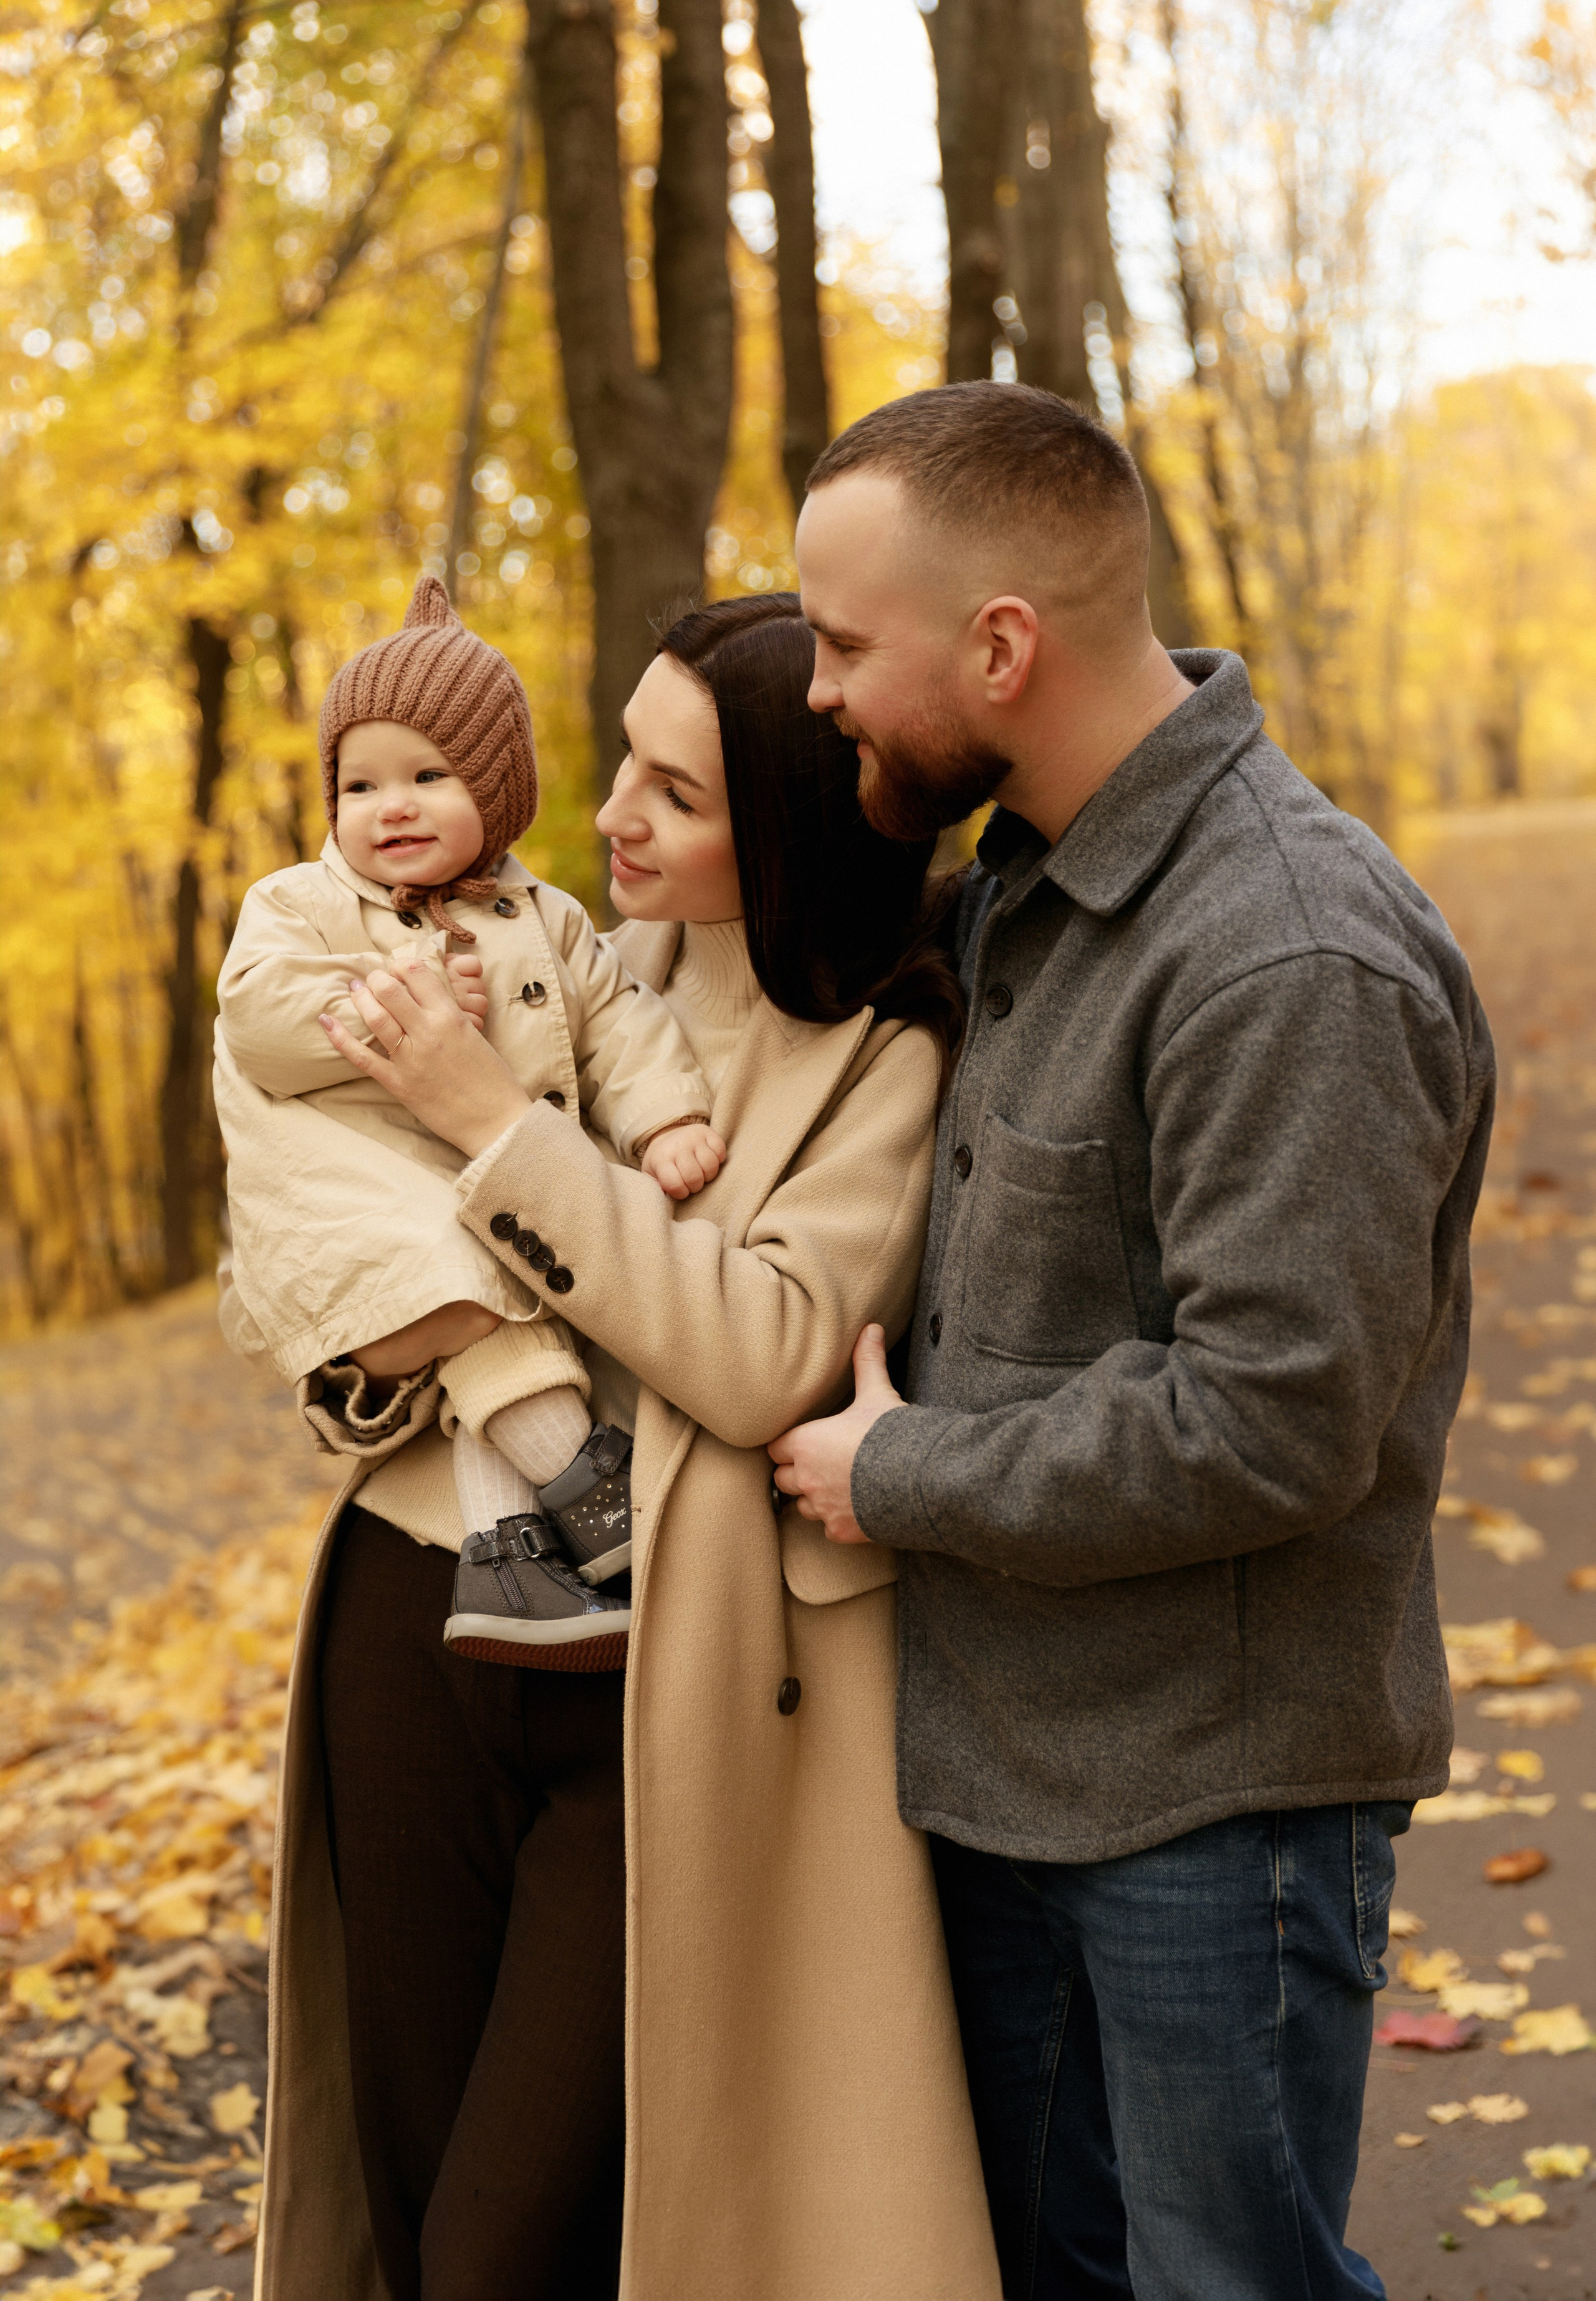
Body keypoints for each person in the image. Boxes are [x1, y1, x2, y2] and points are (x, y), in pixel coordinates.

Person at [769, 383, 1494, 2301]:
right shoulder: (1028, 886)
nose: (822, 690)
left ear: (1000, 645)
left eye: (847, 644)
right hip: (1004, 1770)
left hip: (1212, 1806)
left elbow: (1271, 1420)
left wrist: (896, 1470)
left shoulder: (1287, 949)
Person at [254, 592, 1002, 2301]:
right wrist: (367, 1369)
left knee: (516, 2236)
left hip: (660, 1673)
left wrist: (493, 1124)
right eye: (624, 769)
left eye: (677, 792)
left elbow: (761, 1355)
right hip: (409, 1593)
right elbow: (327, 1209)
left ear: (792, 824)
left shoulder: (885, 1056)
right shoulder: (556, 949)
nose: (611, 818)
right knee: (413, 2169)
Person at [216, 573, 727, 1662]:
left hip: (478, 1213)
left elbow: (619, 1025)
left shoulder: (550, 921)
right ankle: (593, 1489)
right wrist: (399, 984)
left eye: (428, 776)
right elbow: (256, 1016)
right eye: (360, 785)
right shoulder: (300, 908)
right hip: (344, 1214)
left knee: (505, 1308)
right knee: (484, 1296)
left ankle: (509, 1560)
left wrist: (662, 1117)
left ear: (496, 793)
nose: (389, 806)